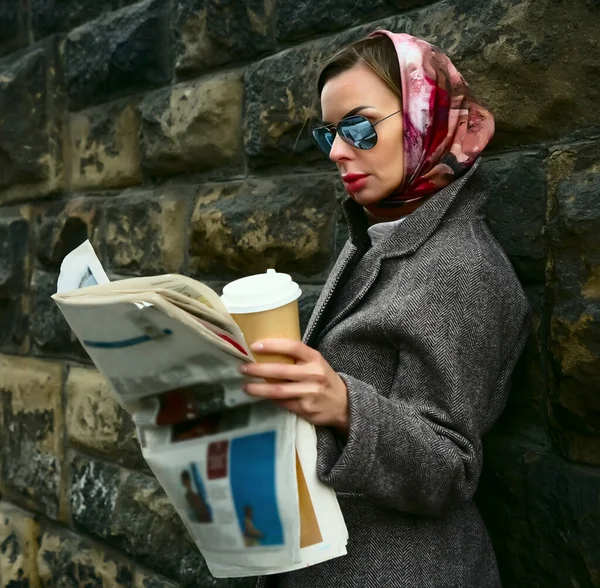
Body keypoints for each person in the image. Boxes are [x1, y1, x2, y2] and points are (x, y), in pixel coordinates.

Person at [240, 30, 531, 588]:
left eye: (358, 126)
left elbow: (451, 468)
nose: (336, 151)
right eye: (328, 132)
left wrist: (345, 404)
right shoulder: (375, 237)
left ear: (427, 115)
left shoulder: (460, 267)